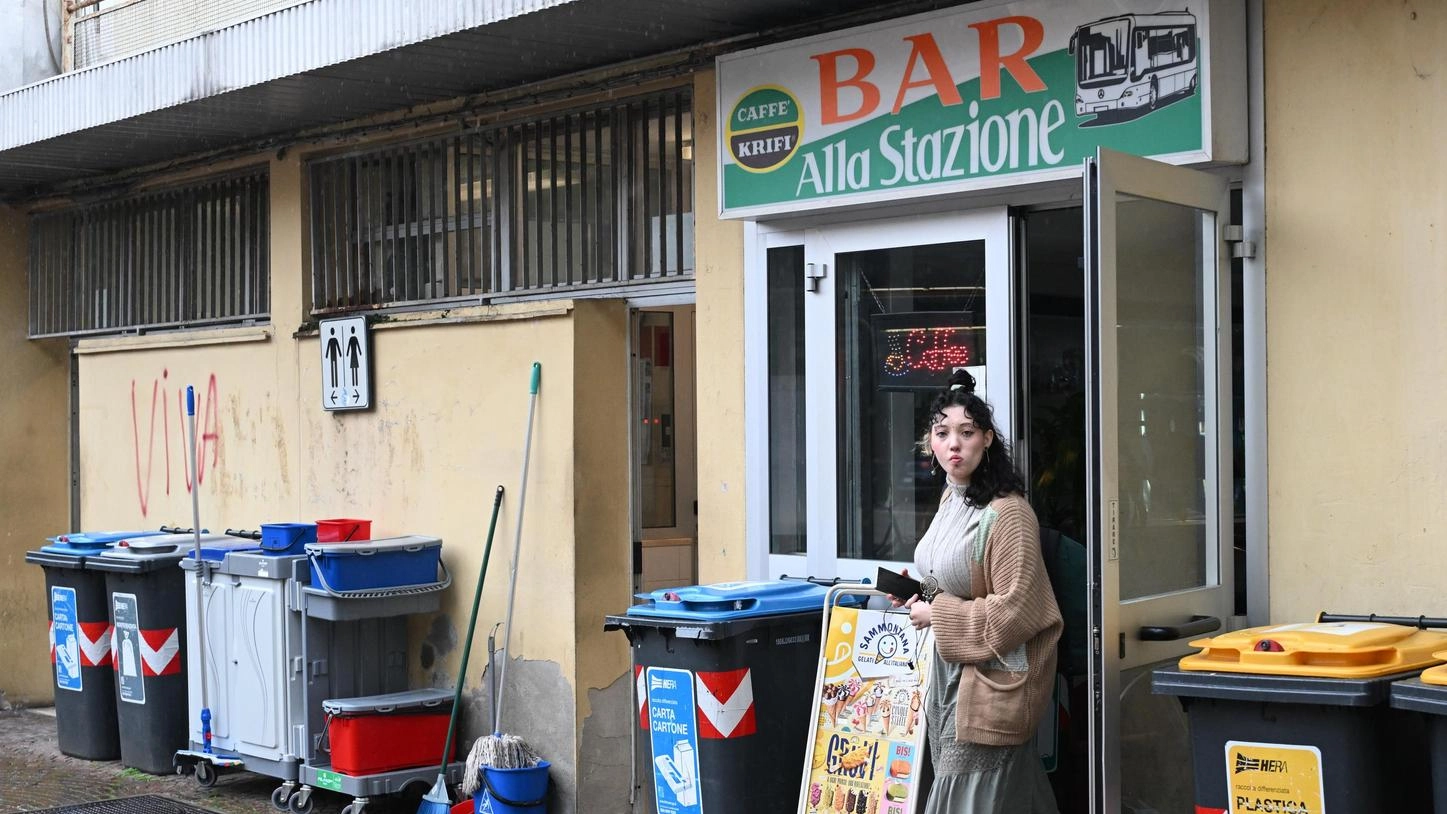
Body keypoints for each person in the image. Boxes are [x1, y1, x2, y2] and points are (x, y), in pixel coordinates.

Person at [892, 368, 1062, 814]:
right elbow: (952, 585)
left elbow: (1014, 612)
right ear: (929, 442)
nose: (954, 444)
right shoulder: (954, 499)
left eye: (966, 432)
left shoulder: (1007, 513)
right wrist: (919, 592)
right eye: (942, 432)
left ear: (987, 439)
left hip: (993, 681)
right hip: (951, 676)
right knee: (1008, 793)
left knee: (966, 794)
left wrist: (938, 614)